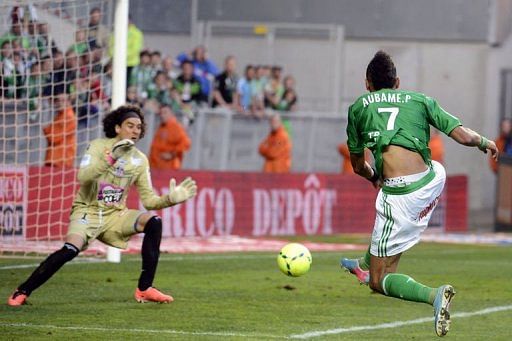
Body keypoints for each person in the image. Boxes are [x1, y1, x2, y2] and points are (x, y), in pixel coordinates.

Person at [340, 51, 498, 337]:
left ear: (367, 84)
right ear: (397, 82)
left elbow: (358, 166)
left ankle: (433, 295)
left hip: (401, 195)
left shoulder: (359, 107)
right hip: (432, 179)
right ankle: (363, 263)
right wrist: (485, 142)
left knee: (379, 280)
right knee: (390, 234)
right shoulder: (420, 99)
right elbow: (461, 134)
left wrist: (374, 176)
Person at [8, 105, 197, 306]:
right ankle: (22, 290)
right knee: (70, 250)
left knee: (154, 221)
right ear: (117, 128)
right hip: (86, 212)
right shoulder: (98, 146)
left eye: (138, 127)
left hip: (115, 216)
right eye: (130, 126)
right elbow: (83, 177)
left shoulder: (139, 160)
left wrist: (170, 199)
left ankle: (144, 288)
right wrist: (111, 158)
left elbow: (149, 201)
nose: (135, 131)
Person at [149, 104, 191, 170]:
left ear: (171, 113)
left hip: (169, 168)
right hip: (156, 167)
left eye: (165, 112)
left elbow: (186, 143)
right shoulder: (162, 126)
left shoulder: (175, 127)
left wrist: (172, 154)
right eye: (161, 113)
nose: (162, 115)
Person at [42, 93, 77, 168]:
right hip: (54, 158)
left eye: (63, 100)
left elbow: (53, 138)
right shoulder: (60, 115)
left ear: (69, 102)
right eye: (58, 100)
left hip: (61, 161)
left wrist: (45, 128)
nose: (59, 103)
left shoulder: (68, 116)